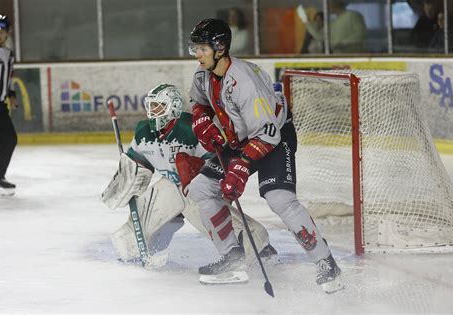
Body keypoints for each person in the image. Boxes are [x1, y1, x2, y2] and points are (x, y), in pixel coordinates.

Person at [186, 18, 344, 293]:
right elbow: (198, 102)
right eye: (195, 48)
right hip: (241, 137)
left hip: (274, 136)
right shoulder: (203, 76)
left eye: (202, 48)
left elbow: (268, 134)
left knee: (279, 198)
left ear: (220, 48)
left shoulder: (244, 81)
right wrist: (201, 120)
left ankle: (325, 262)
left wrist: (242, 166)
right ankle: (233, 256)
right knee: (201, 188)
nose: (197, 55)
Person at [101, 83, 277, 272]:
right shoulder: (144, 132)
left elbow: (216, 164)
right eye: (150, 106)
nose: (152, 111)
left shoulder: (191, 129)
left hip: (195, 189)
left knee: (201, 205)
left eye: (158, 106)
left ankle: (258, 247)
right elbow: (137, 165)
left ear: (173, 106)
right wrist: (126, 179)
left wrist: (198, 173)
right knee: (151, 205)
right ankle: (136, 248)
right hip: (171, 187)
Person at [0, 14, 18, 196]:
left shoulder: (9, 55)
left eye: (1, 31)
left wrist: (11, 95)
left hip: (0, 105)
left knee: (9, 139)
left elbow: (8, 79)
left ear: (7, 34)